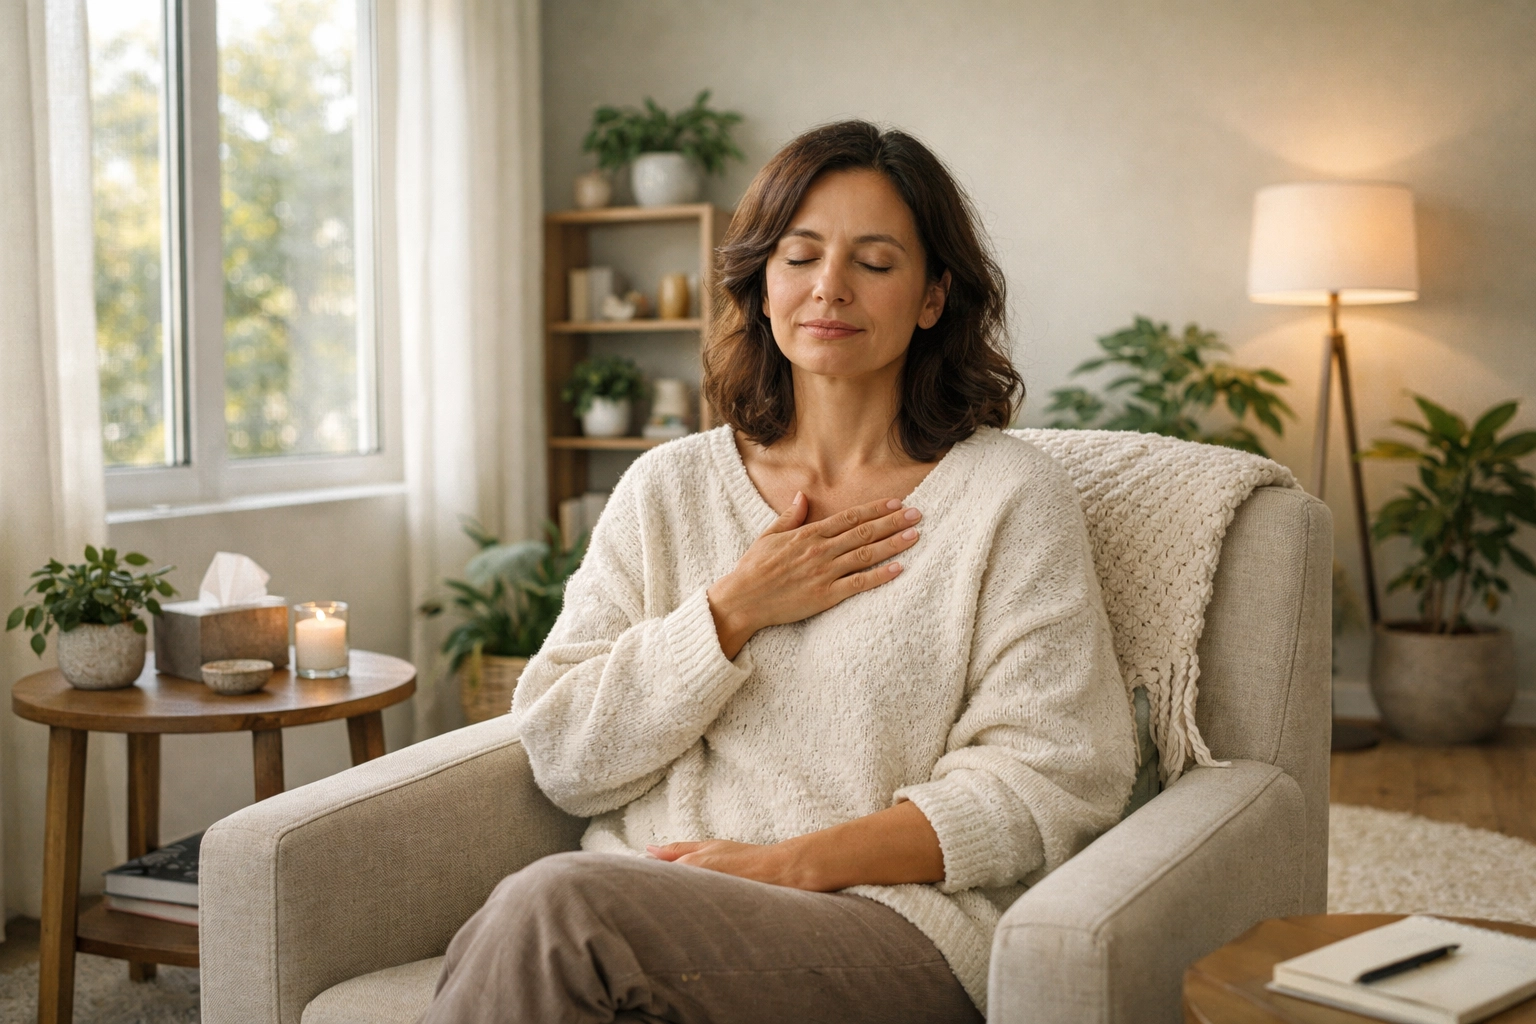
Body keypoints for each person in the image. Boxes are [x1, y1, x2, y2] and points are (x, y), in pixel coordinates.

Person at [421, 120, 1137, 1024]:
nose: (829, 287)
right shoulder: (669, 487)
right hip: (648, 901)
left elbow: (1053, 777)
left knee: (549, 909)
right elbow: (563, 753)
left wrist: (793, 862)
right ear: (763, 284)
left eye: (875, 263)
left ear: (931, 297)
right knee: (543, 920)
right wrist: (727, 613)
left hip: (888, 923)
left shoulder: (1006, 498)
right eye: (800, 256)